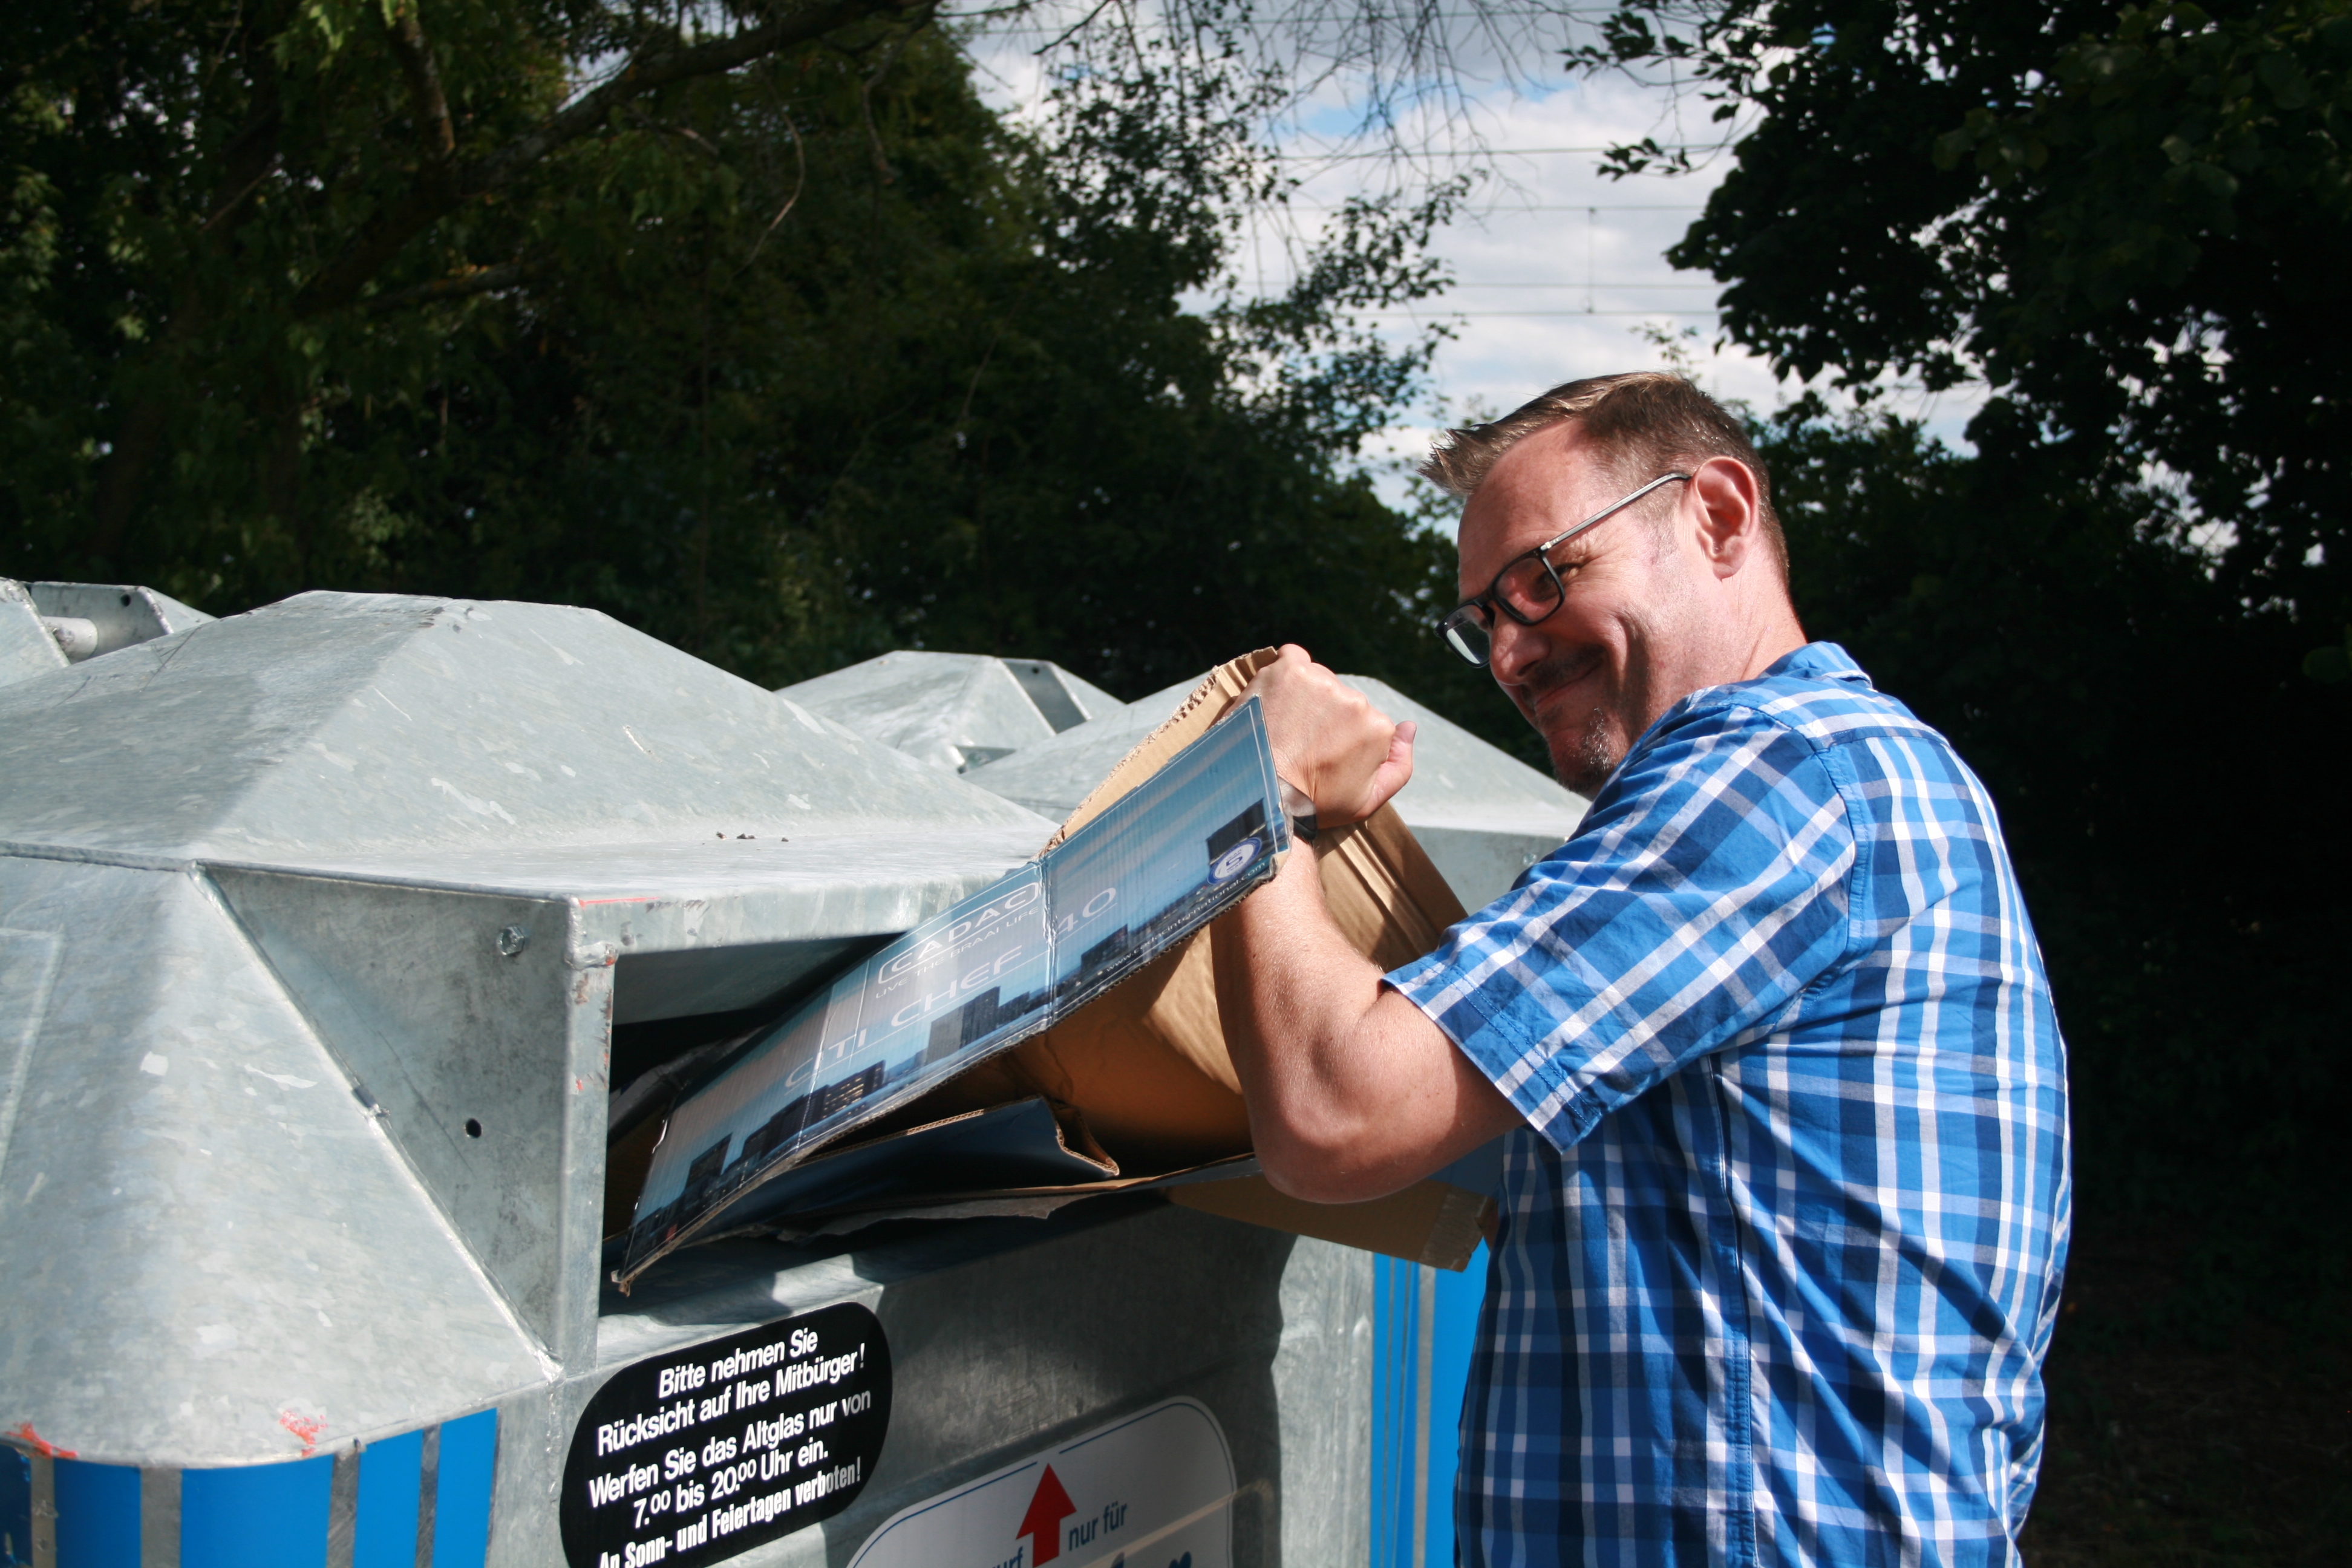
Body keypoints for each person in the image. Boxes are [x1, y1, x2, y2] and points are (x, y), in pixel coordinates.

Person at [1210, 372, 2071, 1566]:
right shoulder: (1857, 779)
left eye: (1543, 580)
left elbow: (1331, 1115)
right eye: (1483, 622)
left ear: (1717, 514)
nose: (1510, 649)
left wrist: (1262, 788)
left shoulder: (1774, 772)